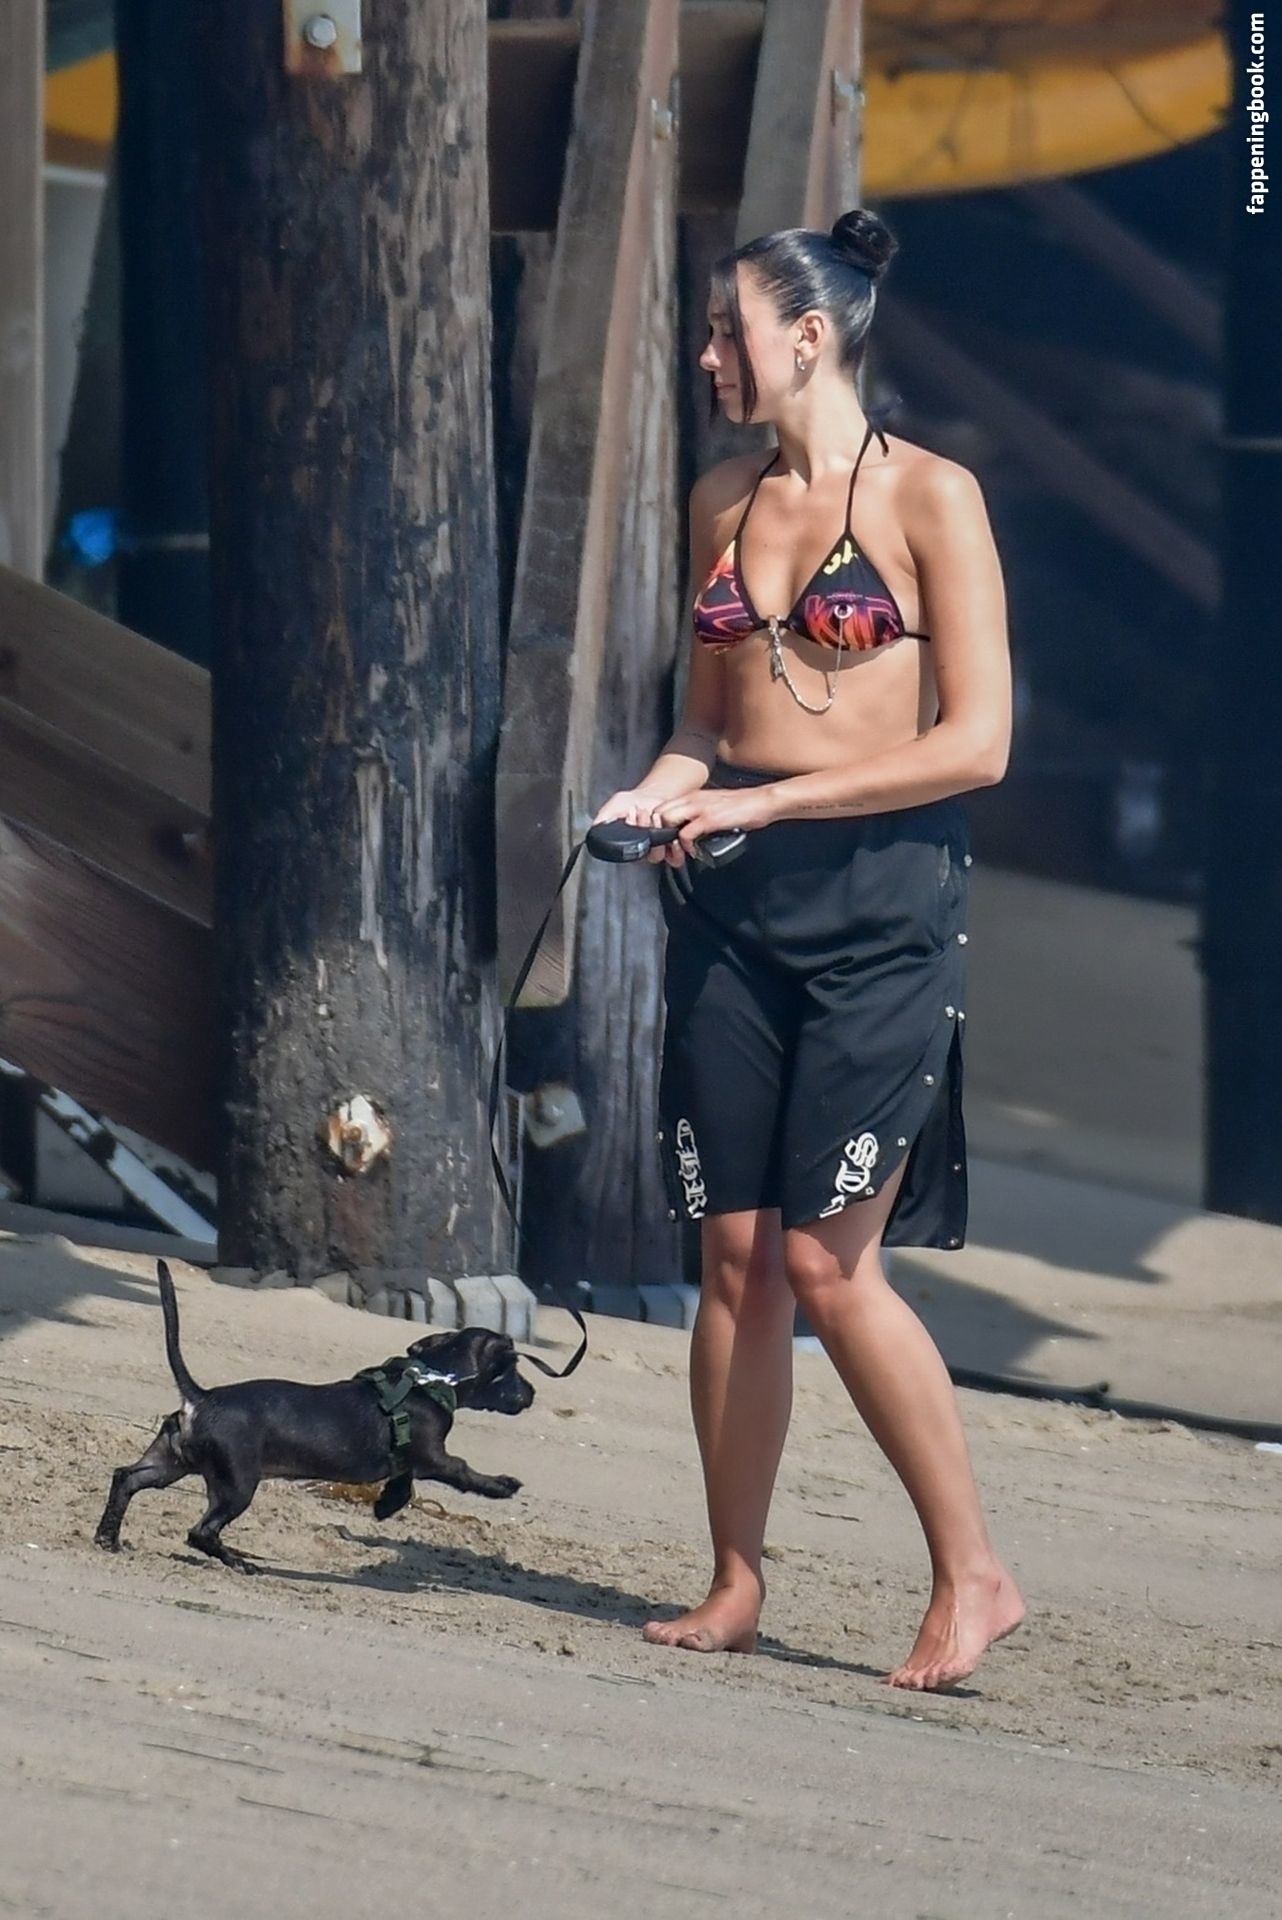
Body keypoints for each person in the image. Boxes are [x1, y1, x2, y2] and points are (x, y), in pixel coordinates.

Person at [593, 207, 1024, 1691]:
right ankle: (734, 1580)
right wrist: (661, 794)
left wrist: (766, 802)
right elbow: (704, 722)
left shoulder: (933, 498)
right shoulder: (722, 498)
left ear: (809, 335)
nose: (708, 354)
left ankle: (973, 1576)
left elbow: (977, 744)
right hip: (733, 905)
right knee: (732, 1261)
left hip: (883, 912)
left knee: (827, 1265)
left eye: (728, 330)